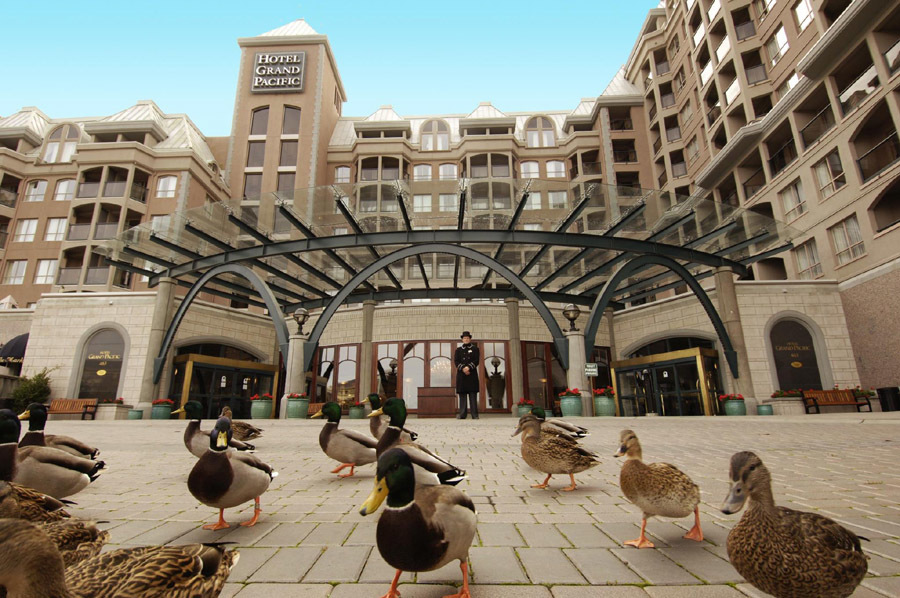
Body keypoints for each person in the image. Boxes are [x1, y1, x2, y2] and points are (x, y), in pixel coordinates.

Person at [454, 331, 480, 419]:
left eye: (468, 338)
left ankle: (474, 415)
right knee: (462, 395)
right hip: (462, 375)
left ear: (470, 339)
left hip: (472, 375)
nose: (466, 339)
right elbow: (456, 361)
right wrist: (463, 369)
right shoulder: (458, 350)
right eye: (464, 338)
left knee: (473, 395)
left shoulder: (475, 349)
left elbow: (477, 360)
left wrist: (468, 368)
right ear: (462, 339)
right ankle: (462, 414)